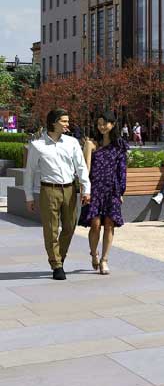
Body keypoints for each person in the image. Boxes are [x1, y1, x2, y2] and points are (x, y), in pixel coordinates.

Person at [23, 108, 91, 280]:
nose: (68, 124)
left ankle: (59, 257)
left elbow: (81, 167)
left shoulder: (72, 142)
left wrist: (86, 188)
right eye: (64, 121)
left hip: (69, 190)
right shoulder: (37, 145)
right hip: (49, 190)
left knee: (69, 227)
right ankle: (56, 265)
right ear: (54, 122)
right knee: (51, 229)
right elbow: (29, 172)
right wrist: (29, 197)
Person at [79, 110, 129, 274]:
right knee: (95, 224)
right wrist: (85, 189)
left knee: (109, 224)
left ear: (112, 124)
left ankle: (104, 260)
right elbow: (86, 168)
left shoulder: (120, 145)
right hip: (95, 189)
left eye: (104, 123)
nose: (101, 127)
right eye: (99, 124)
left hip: (112, 189)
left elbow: (122, 170)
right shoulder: (91, 144)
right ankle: (94, 254)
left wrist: (121, 191)